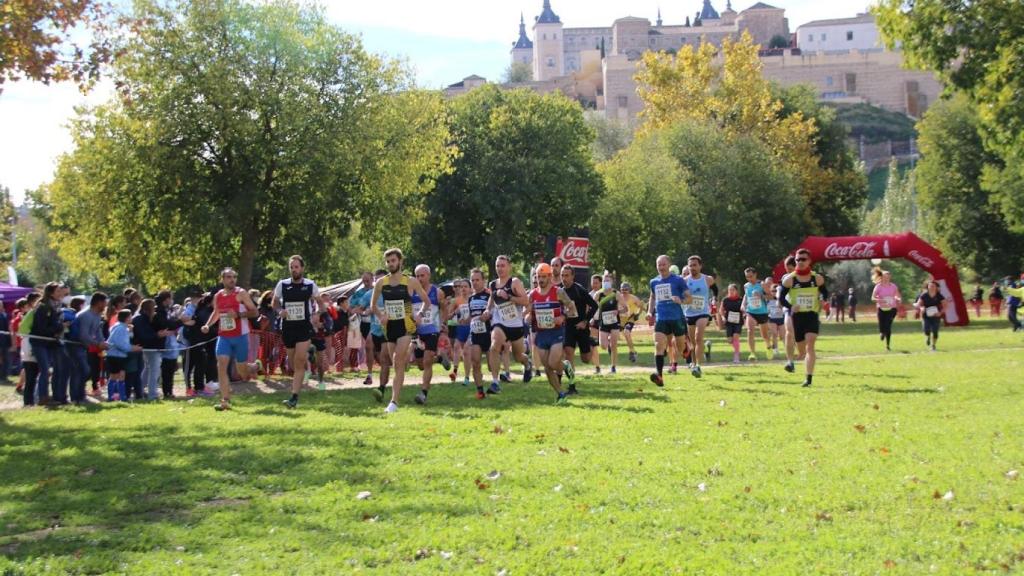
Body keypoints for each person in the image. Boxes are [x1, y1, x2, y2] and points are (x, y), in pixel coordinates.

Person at [370, 248, 431, 414]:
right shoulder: (381, 282)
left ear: (400, 261)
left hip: (406, 326)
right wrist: (381, 315)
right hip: (390, 327)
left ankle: (394, 401)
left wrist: (419, 315)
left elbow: (426, 301)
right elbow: (373, 305)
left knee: (397, 361)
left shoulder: (410, 281)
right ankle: (396, 397)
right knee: (397, 364)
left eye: (393, 261)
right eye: (388, 261)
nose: (391, 264)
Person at [273, 255, 321, 409]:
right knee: (293, 364)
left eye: (296, 267)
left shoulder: (310, 285)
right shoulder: (282, 285)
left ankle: (294, 397)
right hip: (288, 327)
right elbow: (274, 303)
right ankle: (310, 353)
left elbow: (321, 304)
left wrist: (316, 314)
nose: (294, 269)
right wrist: (280, 311)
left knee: (299, 362)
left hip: (303, 327)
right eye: (292, 267)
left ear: (302, 268)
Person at [526, 263, 577, 404]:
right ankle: (561, 394)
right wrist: (528, 317)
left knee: (553, 362)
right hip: (541, 333)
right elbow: (528, 312)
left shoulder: (558, 292)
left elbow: (572, 308)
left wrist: (563, 317)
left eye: (543, 277)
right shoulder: (533, 294)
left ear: (549, 277)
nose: (541, 280)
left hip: (556, 331)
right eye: (538, 277)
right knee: (547, 368)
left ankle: (566, 367)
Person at [483, 255, 534, 393]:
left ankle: (527, 364)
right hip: (500, 323)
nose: (500, 268)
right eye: (497, 266)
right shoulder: (492, 284)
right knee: (494, 346)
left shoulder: (515, 282)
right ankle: (495, 382)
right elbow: (491, 302)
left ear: (509, 267)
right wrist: (487, 311)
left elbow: (525, 301)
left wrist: (509, 297)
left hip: (516, 325)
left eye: (502, 265)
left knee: (518, 357)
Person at [779, 248, 826, 387]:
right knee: (802, 350)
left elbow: (824, 292)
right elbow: (781, 298)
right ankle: (799, 357)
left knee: (810, 344)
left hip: (811, 314)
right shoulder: (789, 280)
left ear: (809, 261)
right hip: (797, 317)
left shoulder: (817, 278)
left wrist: (822, 299)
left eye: (803, 259)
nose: (800, 262)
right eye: (798, 260)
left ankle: (808, 379)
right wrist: (790, 306)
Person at [647, 255, 689, 387]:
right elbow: (652, 298)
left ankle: (686, 348)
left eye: (663, 264)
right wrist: (650, 311)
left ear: (669, 265)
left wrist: (681, 300)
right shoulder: (654, 282)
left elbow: (690, 298)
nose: (661, 267)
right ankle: (659, 376)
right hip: (661, 318)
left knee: (681, 348)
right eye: (659, 265)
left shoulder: (678, 280)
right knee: (658, 345)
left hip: (676, 318)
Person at [411, 264, 448, 405]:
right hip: (417, 331)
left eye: (422, 275)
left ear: (428, 275)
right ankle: (439, 359)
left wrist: (443, 323)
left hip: (432, 329)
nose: (420, 278)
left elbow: (444, 307)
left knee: (427, 360)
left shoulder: (437, 292)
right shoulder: (412, 291)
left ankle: (423, 393)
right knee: (420, 364)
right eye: (417, 276)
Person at [559, 264, 598, 395]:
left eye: (567, 275)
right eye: (562, 275)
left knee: (585, 359)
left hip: (582, 327)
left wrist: (585, 321)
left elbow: (594, 306)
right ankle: (572, 386)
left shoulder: (579, 290)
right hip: (568, 327)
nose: (564, 278)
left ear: (573, 276)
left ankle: (591, 343)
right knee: (568, 352)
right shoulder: (559, 291)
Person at [683, 255, 716, 378]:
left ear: (700, 266)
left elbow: (715, 290)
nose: (692, 268)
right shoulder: (685, 280)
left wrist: (715, 300)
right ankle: (693, 361)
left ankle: (698, 366)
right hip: (689, 313)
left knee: (698, 338)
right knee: (692, 342)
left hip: (703, 312)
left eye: (695, 265)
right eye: (690, 265)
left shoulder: (708, 279)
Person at [73, 293, 108, 403]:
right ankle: (77, 396)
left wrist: (102, 342)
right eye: (104, 303)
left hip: (86, 346)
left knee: (86, 371)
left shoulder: (97, 315)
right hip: (76, 346)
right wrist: (97, 344)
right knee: (84, 370)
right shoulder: (86, 315)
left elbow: (97, 331)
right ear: (99, 303)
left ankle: (79, 396)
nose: (106, 305)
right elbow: (83, 335)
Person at [594, 272, 628, 374]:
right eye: (604, 280)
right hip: (603, 322)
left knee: (614, 345)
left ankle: (613, 367)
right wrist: (592, 316)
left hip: (614, 322)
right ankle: (607, 344)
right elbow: (591, 305)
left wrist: (618, 311)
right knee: (603, 346)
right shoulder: (598, 294)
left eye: (608, 280)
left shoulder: (616, 294)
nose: (606, 282)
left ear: (612, 282)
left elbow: (626, 308)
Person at [466, 268, 493, 398]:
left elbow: (495, 313)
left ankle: (495, 383)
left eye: (477, 280)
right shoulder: (470, 298)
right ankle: (480, 391)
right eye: (473, 280)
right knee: (475, 362)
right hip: (475, 333)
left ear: (483, 281)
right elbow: (472, 316)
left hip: (488, 333)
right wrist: (465, 320)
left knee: (491, 366)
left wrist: (488, 316)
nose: (475, 282)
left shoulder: (489, 295)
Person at [106, 309, 142, 402]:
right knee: (114, 376)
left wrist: (130, 332)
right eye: (130, 316)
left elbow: (125, 340)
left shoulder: (121, 327)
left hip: (120, 356)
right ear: (126, 318)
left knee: (122, 375)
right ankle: (111, 396)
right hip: (115, 356)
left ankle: (122, 397)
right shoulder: (120, 328)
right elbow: (120, 343)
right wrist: (131, 348)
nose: (131, 318)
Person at [741, 268, 773, 361]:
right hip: (751, 311)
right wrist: (743, 304)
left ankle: (768, 346)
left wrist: (761, 296)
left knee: (764, 335)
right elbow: (746, 295)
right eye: (747, 277)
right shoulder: (746, 286)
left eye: (751, 276)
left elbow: (771, 296)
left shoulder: (762, 284)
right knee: (750, 331)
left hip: (762, 312)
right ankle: (752, 353)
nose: (749, 279)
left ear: (755, 275)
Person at [871, 268, 902, 351]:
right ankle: (882, 333)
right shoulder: (878, 286)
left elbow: (897, 295)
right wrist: (881, 300)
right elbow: (873, 298)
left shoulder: (893, 286)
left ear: (890, 277)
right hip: (881, 309)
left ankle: (887, 345)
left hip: (892, 309)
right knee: (882, 325)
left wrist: (898, 299)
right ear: (882, 277)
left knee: (888, 326)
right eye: (885, 276)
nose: (886, 278)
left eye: (888, 276)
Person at [915, 280, 947, 351]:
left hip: (936, 315)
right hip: (926, 315)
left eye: (933, 286)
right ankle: (928, 337)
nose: (932, 287)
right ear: (927, 287)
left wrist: (940, 313)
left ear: (936, 287)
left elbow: (945, 305)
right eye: (930, 286)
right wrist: (921, 308)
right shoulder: (924, 295)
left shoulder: (939, 295)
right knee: (926, 330)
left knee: (935, 331)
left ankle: (933, 345)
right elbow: (918, 304)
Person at [618, 282, 644, 364]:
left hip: (630, 319)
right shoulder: (618, 298)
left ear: (629, 290)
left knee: (626, 332)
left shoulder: (634, 298)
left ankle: (632, 352)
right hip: (621, 320)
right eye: (622, 290)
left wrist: (637, 314)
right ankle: (610, 347)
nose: (624, 291)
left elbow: (641, 307)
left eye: (626, 290)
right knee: (613, 335)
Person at [718, 284, 744, 364]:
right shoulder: (725, 300)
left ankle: (736, 355)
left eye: (733, 290)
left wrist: (745, 316)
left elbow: (744, 310)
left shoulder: (740, 299)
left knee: (736, 337)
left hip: (738, 321)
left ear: (736, 291)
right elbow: (721, 310)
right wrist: (723, 317)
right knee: (730, 340)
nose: (731, 291)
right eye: (730, 290)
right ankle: (736, 348)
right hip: (729, 322)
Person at [765, 277, 784, 357]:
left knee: (783, 335)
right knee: (774, 333)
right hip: (771, 318)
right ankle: (775, 349)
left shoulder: (781, 299)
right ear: (770, 291)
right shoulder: (767, 300)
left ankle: (788, 348)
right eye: (773, 291)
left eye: (776, 291)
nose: (774, 292)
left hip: (781, 318)